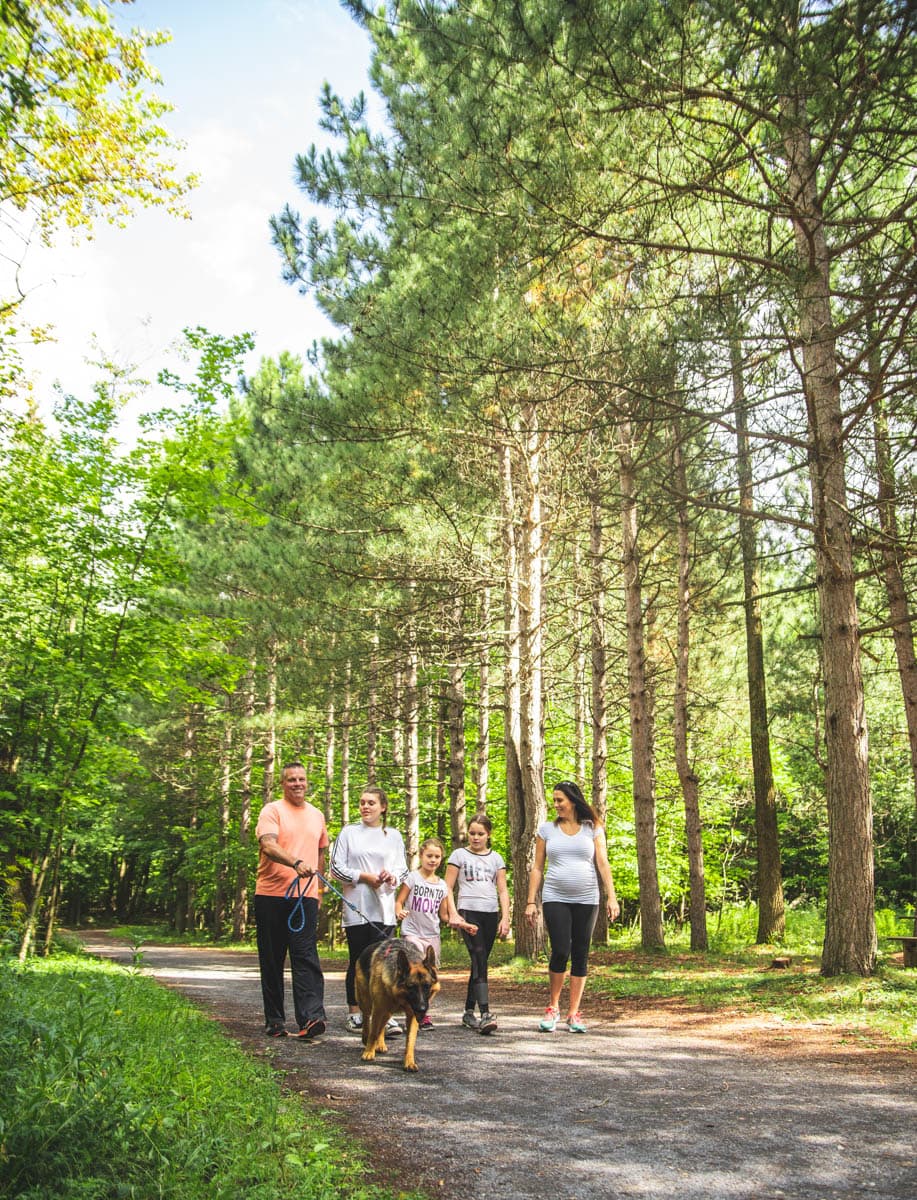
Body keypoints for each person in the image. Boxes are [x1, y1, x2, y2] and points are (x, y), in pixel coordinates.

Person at [524, 780, 620, 1033]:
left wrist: (612, 896)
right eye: (554, 800)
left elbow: (603, 863)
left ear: (573, 801)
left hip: (587, 899)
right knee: (560, 950)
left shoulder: (593, 828)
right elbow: (537, 867)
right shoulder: (546, 830)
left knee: (580, 953)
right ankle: (553, 1006)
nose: (556, 805)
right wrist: (530, 901)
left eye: (560, 800)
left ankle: (574, 1013)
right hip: (555, 897)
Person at [254, 761, 329, 1040]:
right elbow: (269, 845)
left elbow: (321, 852)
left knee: (306, 956)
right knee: (272, 959)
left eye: (301, 779)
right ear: (283, 784)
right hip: (271, 895)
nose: (297, 784)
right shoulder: (272, 811)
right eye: (291, 780)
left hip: (305, 896)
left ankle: (311, 1019)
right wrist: (295, 862)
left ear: (307, 783)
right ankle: (274, 1020)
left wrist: (318, 890)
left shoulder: (316, 815)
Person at [329, 785, 409, 1036]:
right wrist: (363, 876)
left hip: (384, 909)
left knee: (385, 962)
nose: (365, 807)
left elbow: (403, 870)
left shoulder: (393, 836)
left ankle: (384, 1014)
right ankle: (355, 1013)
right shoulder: (349, 833)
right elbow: (336, 869)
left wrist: (390, 876)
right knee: (358, 961)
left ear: (383, 807)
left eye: (371, 803)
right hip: (357, 908)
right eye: (362, 802)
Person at [395, 836, 478, 1030]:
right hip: (412, 932)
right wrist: (399, 911)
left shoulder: (442, 886)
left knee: (429, 976)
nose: (433, 860)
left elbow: (444, 915)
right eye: (429, 856)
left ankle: (423, 1013)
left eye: (437, 857)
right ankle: (412, 1012)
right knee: (414, 972)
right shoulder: (412, 877)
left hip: (432, 934)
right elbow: (399, 901)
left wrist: (464, 925)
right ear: (421, 856)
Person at [444, 813, 510, 1035]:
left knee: (479, 963)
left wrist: (506, 917)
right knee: (479, 957)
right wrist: (454, 914)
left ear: (488, 834)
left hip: (490, 913)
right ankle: (485, 1013)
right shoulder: (458, 855)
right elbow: (448, 887)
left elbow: (502, 889)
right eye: (472, 833)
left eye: (480, 834)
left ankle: (467, 1013)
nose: (475, 837)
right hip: (468, 911)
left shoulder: (496, 858)